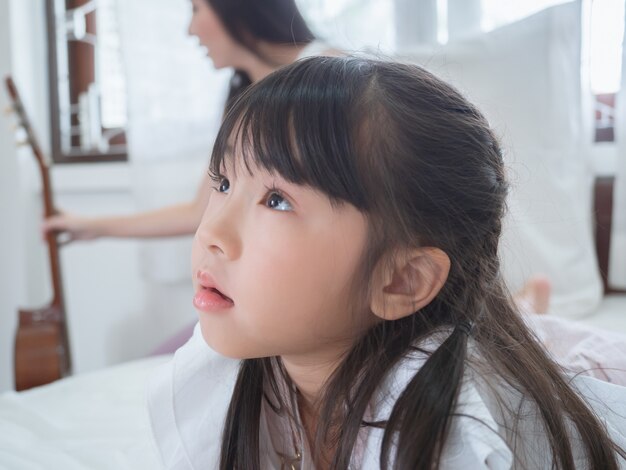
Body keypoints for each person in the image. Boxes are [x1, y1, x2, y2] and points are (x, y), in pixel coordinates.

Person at [147, 56, 626, 469]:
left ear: (401, 280)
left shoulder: (453, 435)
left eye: (276, 200)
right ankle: (526, 311)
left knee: (539, 356)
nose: (211, 234)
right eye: (223, 182)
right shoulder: (224, 375)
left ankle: (527, 314)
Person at [42, 0, 332, 242]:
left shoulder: (330, 71)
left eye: (195, 9)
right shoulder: (242, 99)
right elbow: (199, 212)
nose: (190, 30)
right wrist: (94, 226)